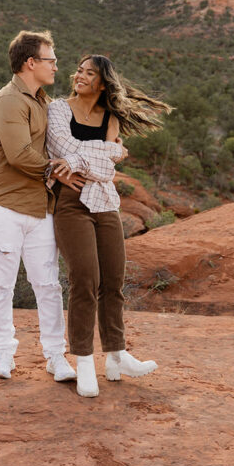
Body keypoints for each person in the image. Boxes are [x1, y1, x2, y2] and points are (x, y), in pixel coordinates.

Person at [46, 54, 172, 397]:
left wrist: (78, 161)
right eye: (79, 70)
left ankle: (117, 355)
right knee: (85, 279)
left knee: (114, 278)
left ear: (102, 82)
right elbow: (64, 148)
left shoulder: (111, 115)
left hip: (104, 201)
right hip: (70, 201)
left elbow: (107, 164)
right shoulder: (58, 109)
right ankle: (84, 360)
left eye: (89, 73)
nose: (80, 76)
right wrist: (105, 153)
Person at [0, 30, 76, 382]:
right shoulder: (7, 101)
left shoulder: (44, 103)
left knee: (48, 285)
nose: (56, 67)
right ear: (30, 63)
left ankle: (55, 357)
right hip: (3, 206)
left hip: (40, 208)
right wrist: (57, 170)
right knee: (1, 285)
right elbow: (19, 155)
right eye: (51, 60)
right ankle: (4, 356)